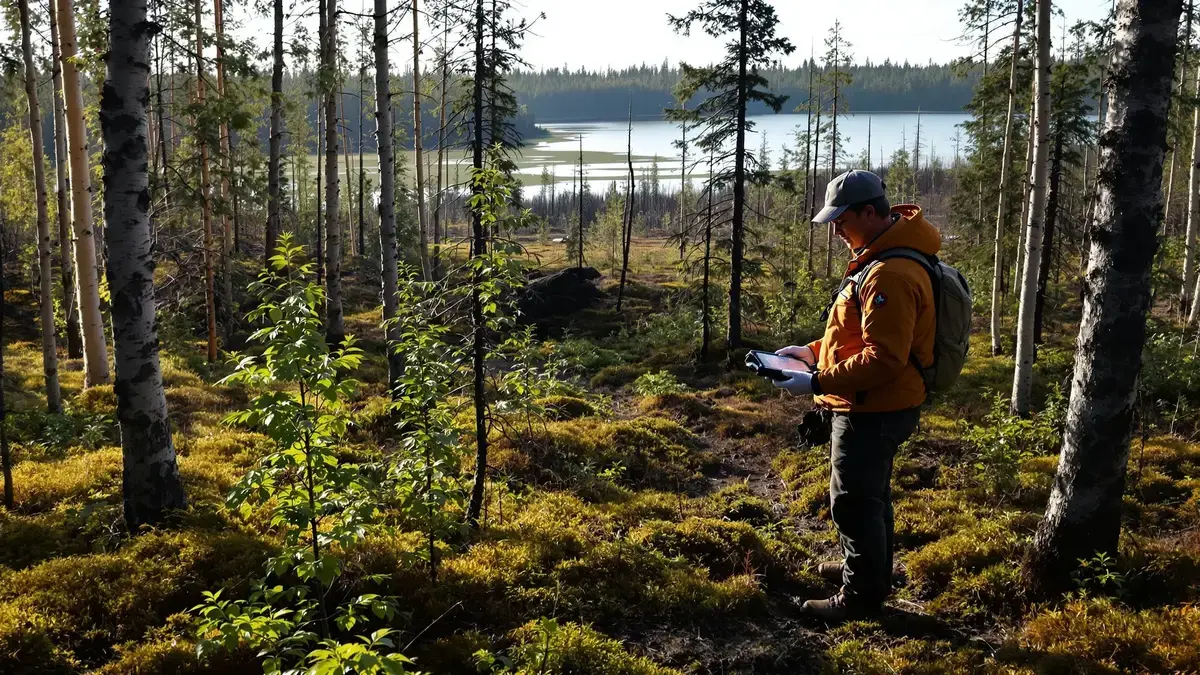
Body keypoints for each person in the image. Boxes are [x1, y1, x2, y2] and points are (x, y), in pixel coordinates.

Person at [773, 169, 940, 621]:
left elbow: (884, 359)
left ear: (870, 212)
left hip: (874, 407)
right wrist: (809, 353)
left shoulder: (890, 273)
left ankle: (861, 597)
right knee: (870, 496)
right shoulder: (876, 260)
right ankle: (867, 571)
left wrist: (818, 382)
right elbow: (856, 337)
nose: (835, 230)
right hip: (871, 402)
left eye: (841, 220)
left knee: (852, 501)